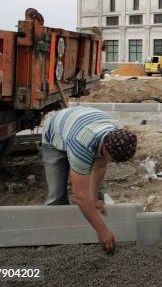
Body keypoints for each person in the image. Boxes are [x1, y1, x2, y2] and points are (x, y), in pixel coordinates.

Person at [41, 106, 137, 253]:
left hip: (81, 124)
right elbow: (79, 196)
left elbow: (99, 167)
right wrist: (103, 231)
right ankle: (50, 241)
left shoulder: (117, 134)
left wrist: (93, 199)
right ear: (105, 148)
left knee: (96, 197)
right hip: (55, 133)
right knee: (57, 195)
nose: (114, 163)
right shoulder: (82, 144)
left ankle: (89, 237)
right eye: (113, 159)